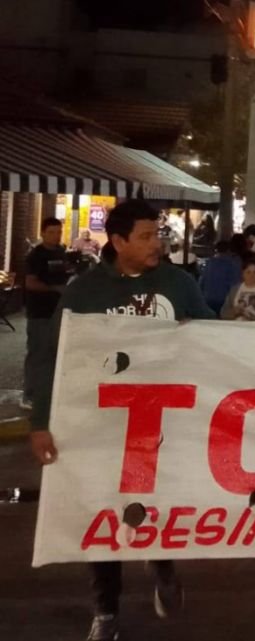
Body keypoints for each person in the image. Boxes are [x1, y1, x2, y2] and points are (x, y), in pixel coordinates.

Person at [28, 200, 214, 641]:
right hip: (99, 425)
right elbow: (55, 357)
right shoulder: (85, 292)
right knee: (103, 512)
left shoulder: (178, 283)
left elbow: (214, 335)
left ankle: (163, 562)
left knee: (161, 502)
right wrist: (40, 421)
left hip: (165, 425)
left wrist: (202, 328)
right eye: (146, 236)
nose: (157, 244)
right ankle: (106, 610)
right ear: (118, 241)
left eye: (159, 235)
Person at [22, 218, 72, 410]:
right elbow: (30, 282)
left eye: (58, 232)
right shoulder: (35, 255)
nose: (56, 236)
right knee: (38, 352)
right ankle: (30, 394)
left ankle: (49, 392)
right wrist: (54, 289)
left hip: (58, 311)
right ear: (43, 233)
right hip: (39, 312)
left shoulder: (61, 252)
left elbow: (64, 275)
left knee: (54, 352)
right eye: (51, 232)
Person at [199, 236, 244, 316]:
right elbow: (235, 284)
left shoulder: (209, 263)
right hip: (224, 300)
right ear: (229, 250)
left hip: (208, 299)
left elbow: (201, 282)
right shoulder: (233, 264)